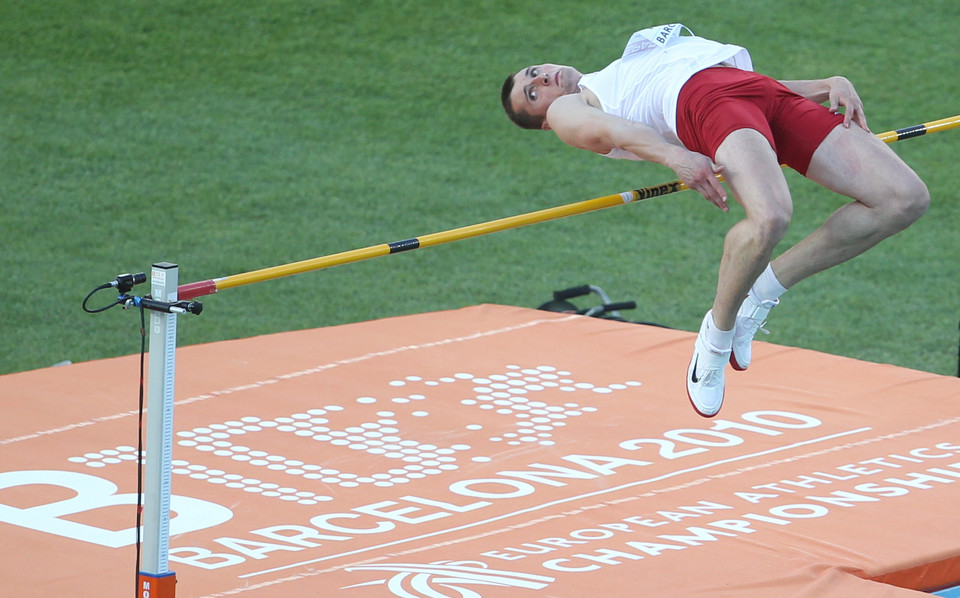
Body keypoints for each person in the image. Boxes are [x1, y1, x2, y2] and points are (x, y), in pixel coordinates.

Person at [500, 23, 929, 418]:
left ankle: (760, 292)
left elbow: (739, 84)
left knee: (903, 199)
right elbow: (618, 133)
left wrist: (827, 84)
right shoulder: (569, 111)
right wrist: (676, 156)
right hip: (705, 104)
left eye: (535, 72)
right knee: (770, 217)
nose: (541, 79)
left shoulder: (620, 68)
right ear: (542, 120)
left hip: (758, 93)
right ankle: (715, 338)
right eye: (532, 93)